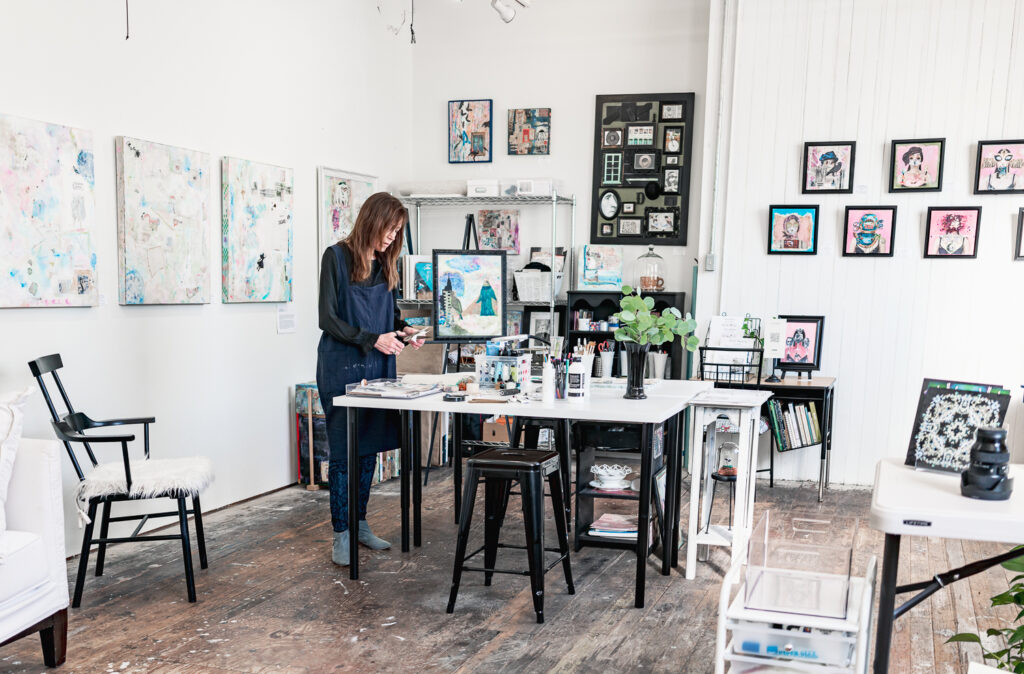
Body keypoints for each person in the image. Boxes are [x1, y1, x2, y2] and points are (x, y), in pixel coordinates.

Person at [316, 192, 424, 566]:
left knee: (368, 450)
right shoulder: (336, 257)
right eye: (389, 229)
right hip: (342, 367)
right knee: (344, 452)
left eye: (397, 231)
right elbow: (327, 318)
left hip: (377, 369)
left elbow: (389, 318)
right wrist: (372, 339)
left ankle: (360, 523)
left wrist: (405, 330)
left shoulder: (385, 263)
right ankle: (341, 533)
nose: (392, 237)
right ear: (372, 221)